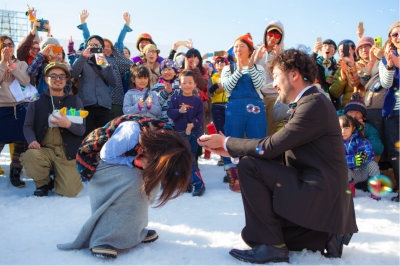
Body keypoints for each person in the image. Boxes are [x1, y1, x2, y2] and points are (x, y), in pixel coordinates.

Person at [198, 49, 357, 264]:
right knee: (253, 235)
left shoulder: (314, 104)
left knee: (248, 167)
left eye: (276, 77)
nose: (273, 84)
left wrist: (226, 142)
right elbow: (280, 153)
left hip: (320, 193)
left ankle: (276, 246)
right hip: (317, 193)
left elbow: (271, 147)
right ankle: (326, 235)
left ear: (294, 75)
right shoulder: (310, 102)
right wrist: (231, 152)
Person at [58, 115, 192, 259]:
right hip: (95, 159)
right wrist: (136, 161)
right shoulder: (131, 133)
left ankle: (135, 231)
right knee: (134, 181)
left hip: (124, 155)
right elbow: (107, 155)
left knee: (149, 183)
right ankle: (103, 238)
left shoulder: (173, 144)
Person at [20, 62, 85, 197]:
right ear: (46, 79)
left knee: (70, 192)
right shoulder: (36, 101)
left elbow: (81, 130)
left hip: (67, 152)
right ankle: (43, 183)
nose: (58, 79)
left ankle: (61, 178)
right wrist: (32, 141)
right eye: (53, 75)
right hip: (45, 150)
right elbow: (28, 126)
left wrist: (68, 124)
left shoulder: (75, 101)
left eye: (62, 76)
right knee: (31, 156)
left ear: (66, 80)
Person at [220, 33, 267, 193]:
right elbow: (226, 86)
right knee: (232, 139)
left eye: (242, 46)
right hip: (235, 106)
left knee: (258, 139)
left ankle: (258, 172)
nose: (238, 49)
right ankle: (233, 172)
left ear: (249, 50)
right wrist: (239, 71)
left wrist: (250, 66)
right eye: (236, 46)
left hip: (256, 106)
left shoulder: (258, 68)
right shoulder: (228, 68)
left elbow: (260, 84)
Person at [77, 10, 134, 119]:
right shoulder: (94, 60)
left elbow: (120, 41)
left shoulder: (115, 59)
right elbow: (88, 41)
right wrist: (83, 23)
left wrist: (126, 25)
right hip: (99, 101)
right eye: (104, 46)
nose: (106, 48)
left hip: (116, 100)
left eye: (109, 46)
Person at [70, 35, 117, 137]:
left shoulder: (108, 61)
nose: (94, 47)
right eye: (92, 45)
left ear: (102, 47)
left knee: (104, 137)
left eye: (97, 45)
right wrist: (83, 56)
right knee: (87, 136)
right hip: (86, 104)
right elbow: (73, 74)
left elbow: (113, 83)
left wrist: (106, 65)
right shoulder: (82, 60)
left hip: (104, 105)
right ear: (87, 46)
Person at [167, 70, 205, 196]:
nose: (187, 85)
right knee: (183, 160)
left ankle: (199, 184)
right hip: (180, 134)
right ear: (179, 84)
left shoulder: (197, 101)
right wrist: (179, 111)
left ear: (195, 84)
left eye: (190, 82)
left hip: (193, 134)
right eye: (184, 83)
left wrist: (192, 123)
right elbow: (170, 113)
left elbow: (201, 116)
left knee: (191, 158)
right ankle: (187, 183)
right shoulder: (175, 99)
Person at [0, 36, 30, 186]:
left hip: (20, 107)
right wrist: (2, 63)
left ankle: (15, 173)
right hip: (2, 107)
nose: (7, 47)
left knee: (20, 142)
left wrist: (11, 64)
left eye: (10, 44)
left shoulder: (22, 63)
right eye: (4, 45)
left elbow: (25, 81)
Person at [379, 19, 400, 202]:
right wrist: (390, 66)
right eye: (395, 34)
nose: (398, 37)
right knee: (396, 153)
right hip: (393, 112)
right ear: (391, 38)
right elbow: (386, 83)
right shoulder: (385, 59)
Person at [339, 114, 381, 199]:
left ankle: (375, 190)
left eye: (347, 128)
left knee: (372, 164)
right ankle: (349, 191)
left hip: (362, 172)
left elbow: (369, 152)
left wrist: (363, 157)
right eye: (340, 128)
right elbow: (337, 159)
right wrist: (353, 160)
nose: (343, 131)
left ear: (353, 128)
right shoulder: (336, 143)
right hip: (348, 175)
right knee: (342, 167)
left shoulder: (359, 140)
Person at [254, 21, 285, 136]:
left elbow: (280, 76)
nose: (273, 37)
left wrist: (278, 60)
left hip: (274, 96)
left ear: (281, 38)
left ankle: (269, 154)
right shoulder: (255, 50)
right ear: (265, 34)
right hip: (257, 96)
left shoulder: (282, 54)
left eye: (277, 35)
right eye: (270, 33)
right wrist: (257, 58)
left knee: (271, 132)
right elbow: (250, 72)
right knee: (256, 130)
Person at [343, 92, 384, 163]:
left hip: (362, 162)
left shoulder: (368, 128)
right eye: (351, 112)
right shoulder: (339, 124)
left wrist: (360, 132)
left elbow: (378, 149)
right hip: (344, 163)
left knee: (374, 163)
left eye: (358, 112)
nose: (354, 116)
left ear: (363, 116)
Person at [209, 56, 229, 168]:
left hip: (229, 105)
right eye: (217, 61)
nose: (219, 63)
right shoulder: (212, 77)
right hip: (216, 106)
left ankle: (230, 153)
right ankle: (222, 156)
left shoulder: (231, 76)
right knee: (220, 130)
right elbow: (210, 93)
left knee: (229, 130)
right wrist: (216, 86)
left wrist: (217, 88)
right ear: (214, 65)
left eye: (222, 61)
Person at [329, 40, 360, 109]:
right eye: (340, 51)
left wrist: (349, 71)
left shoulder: (361, 65)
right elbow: (334, 93)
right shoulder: (339, 70)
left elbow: (361, 83)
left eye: (345, 49)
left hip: (363, 106)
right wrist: (343, 78)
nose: (343, 52)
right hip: (347, 108)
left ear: (354, 49)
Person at [311, 39, 340, 109]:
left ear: (335, 51)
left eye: (331, 46)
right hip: (317, 98)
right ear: (321, 50)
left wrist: (335, 80)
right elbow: (307, 67)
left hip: (333, 101)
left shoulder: (338, 66)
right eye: (325, 46)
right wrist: (314, 52)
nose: (327, 48)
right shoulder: (315, 63)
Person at [151, 59, 181, 125]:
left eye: (169, 69)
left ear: (175, 72)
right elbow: (154, 105)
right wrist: (165, 93)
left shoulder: (180, 84)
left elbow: (182, 99)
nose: (166, 72)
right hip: (162, 123)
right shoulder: (156, 87)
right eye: (163, 70)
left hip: (178, 121)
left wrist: (171, 91)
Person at [16, 19, 40, 85]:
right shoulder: (24, 60)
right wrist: (34, 30)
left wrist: (48, 32)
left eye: (38, 49)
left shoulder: (42, 62)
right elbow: (22, 49)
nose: (35, 50)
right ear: (29, 49)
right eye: (33, 48)